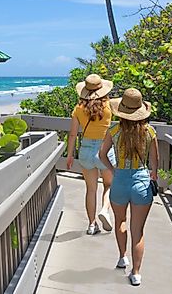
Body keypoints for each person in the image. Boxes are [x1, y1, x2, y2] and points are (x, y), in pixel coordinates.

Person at [100, 88, 159, 287]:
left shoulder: (114, 131)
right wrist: (153, 175)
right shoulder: (150, 131)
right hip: (141, 182)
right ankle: (136, 273)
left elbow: (102, 154)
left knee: (120, 221)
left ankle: (122, 257)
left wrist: (114, 170)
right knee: (138, 230)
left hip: (120, 181)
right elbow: (155, 162)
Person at [65, 74, 116, 235]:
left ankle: (92, 224)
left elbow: (72, 134)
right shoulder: (109, 106)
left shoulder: (78, 109)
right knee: (109, 185)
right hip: (104, 150)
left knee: (91, 189)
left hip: (86, 149)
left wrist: (70, 154)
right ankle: (105, 210)